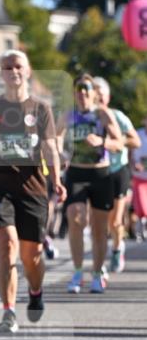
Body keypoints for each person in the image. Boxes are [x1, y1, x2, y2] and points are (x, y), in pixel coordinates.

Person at [0, 50, 66, 332]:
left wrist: (57, 180)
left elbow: (50, 148)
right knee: (6, 245)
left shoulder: (41, 109)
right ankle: (8, 312)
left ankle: (35, 291)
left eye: (18, 66)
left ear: (28, 70)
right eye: (7, 67)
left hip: (32, 190)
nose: (13, 71)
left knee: (31, 256)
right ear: (1, 73)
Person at [57, 74, 122, 294]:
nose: (82, 94)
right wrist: (60, 153)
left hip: (100, 174)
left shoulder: (103, 114)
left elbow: (119, 143)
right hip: (76, 173)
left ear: (94, 93)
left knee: (99, 229)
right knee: (75, 218)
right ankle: (77, 273)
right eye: (78, 90)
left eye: (86, 90)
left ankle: (96, 273)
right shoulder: (68, 115)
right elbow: (56, 138)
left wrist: (102, 141)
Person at [93, 77, 139, 273]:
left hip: (117, 169)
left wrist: (116, 140)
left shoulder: (117, 116)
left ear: (108, 97)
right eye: (95, 93)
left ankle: (117, 248)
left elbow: (135, 141)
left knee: (115, 220)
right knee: (98, 221)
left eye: (101, 94)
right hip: (95, 171)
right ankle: (99, 261)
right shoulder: (86, 118)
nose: (98, 98)